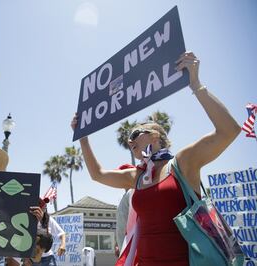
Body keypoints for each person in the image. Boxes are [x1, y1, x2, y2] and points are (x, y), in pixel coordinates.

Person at [71, 52, 241, 266]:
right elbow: (98, 174)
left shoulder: (182, 163)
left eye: (135, 134)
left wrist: (196, 84)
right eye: (127, 139)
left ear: (155, 136)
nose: (129, 141)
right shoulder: (137, 175)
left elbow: (229, 131)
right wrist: (83, 138)